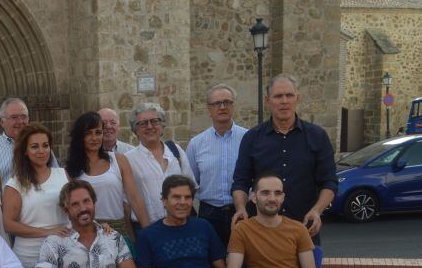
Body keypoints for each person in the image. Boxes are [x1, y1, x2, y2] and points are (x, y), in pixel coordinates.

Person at [227, 172, 376, 268]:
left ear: (283, 197)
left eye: (277, 193)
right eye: (265, 193)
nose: (272, 198)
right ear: (254, 197)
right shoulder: (242, 229)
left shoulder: (297, 228)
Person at [231, 74, 338, 245]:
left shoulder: (318, 136)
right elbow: (240, 182)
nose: (284, 101)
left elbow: (329, 182)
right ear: (267, 100)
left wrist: (317, 211)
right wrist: (240, 208)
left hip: (304, 227)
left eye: (289, 95)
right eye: (278, 96)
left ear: (298, 98)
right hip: (261, 231)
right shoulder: (252, 138)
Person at [35, 180, 139, 268]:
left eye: (86, 201)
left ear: (94, 202)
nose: (83, 208)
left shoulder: (112, 237)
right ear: (66, 210)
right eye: (75, 204)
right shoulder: (55, 241)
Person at [136, 175, 226, 268]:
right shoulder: (147, 235)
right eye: (176, 197)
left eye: (188, 197)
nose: (183, 202)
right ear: (164, 200)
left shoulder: (204, 227)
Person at [65, 111, 150, 248]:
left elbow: (134, 198)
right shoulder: (71, 170)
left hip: (119, 229)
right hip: (87, 233)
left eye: (98, 132)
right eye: (88, 133)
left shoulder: (118, 160)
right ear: (80, 137)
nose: (94, 138)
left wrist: (148, 232)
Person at [3, 123, 70, 268]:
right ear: (25, 151)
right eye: (35, 146)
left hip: (64, 250)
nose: (41, 151)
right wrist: (46, 232)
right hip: (30, 255)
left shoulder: (63, 175)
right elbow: (8, 224)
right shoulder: (15, 184)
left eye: (45, 145)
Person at [186, 84, 248, 245]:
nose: (222, 107)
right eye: (216, 103)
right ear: (209, 109)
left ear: (233, 106)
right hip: (209, 213)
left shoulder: (248, 138)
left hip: (243, 211)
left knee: (244, 259)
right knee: (212, 262)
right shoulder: (196, 144)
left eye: (227, 102)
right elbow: (191, 181)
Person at [124, 102, 196, 228]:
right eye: (143, 123)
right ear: (135, 130)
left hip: (181, 224)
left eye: (155, 121)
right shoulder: (128, 159)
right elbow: (127, 202)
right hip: (147, 228)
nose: (150, 126)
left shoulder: (176, 151)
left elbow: (191, 186)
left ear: (162, 125)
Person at [0, 97, 58, 182]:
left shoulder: (41, 145)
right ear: (2, 122)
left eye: (24, 117)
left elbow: (55, 175)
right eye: (14, 117)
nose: (20, 121)